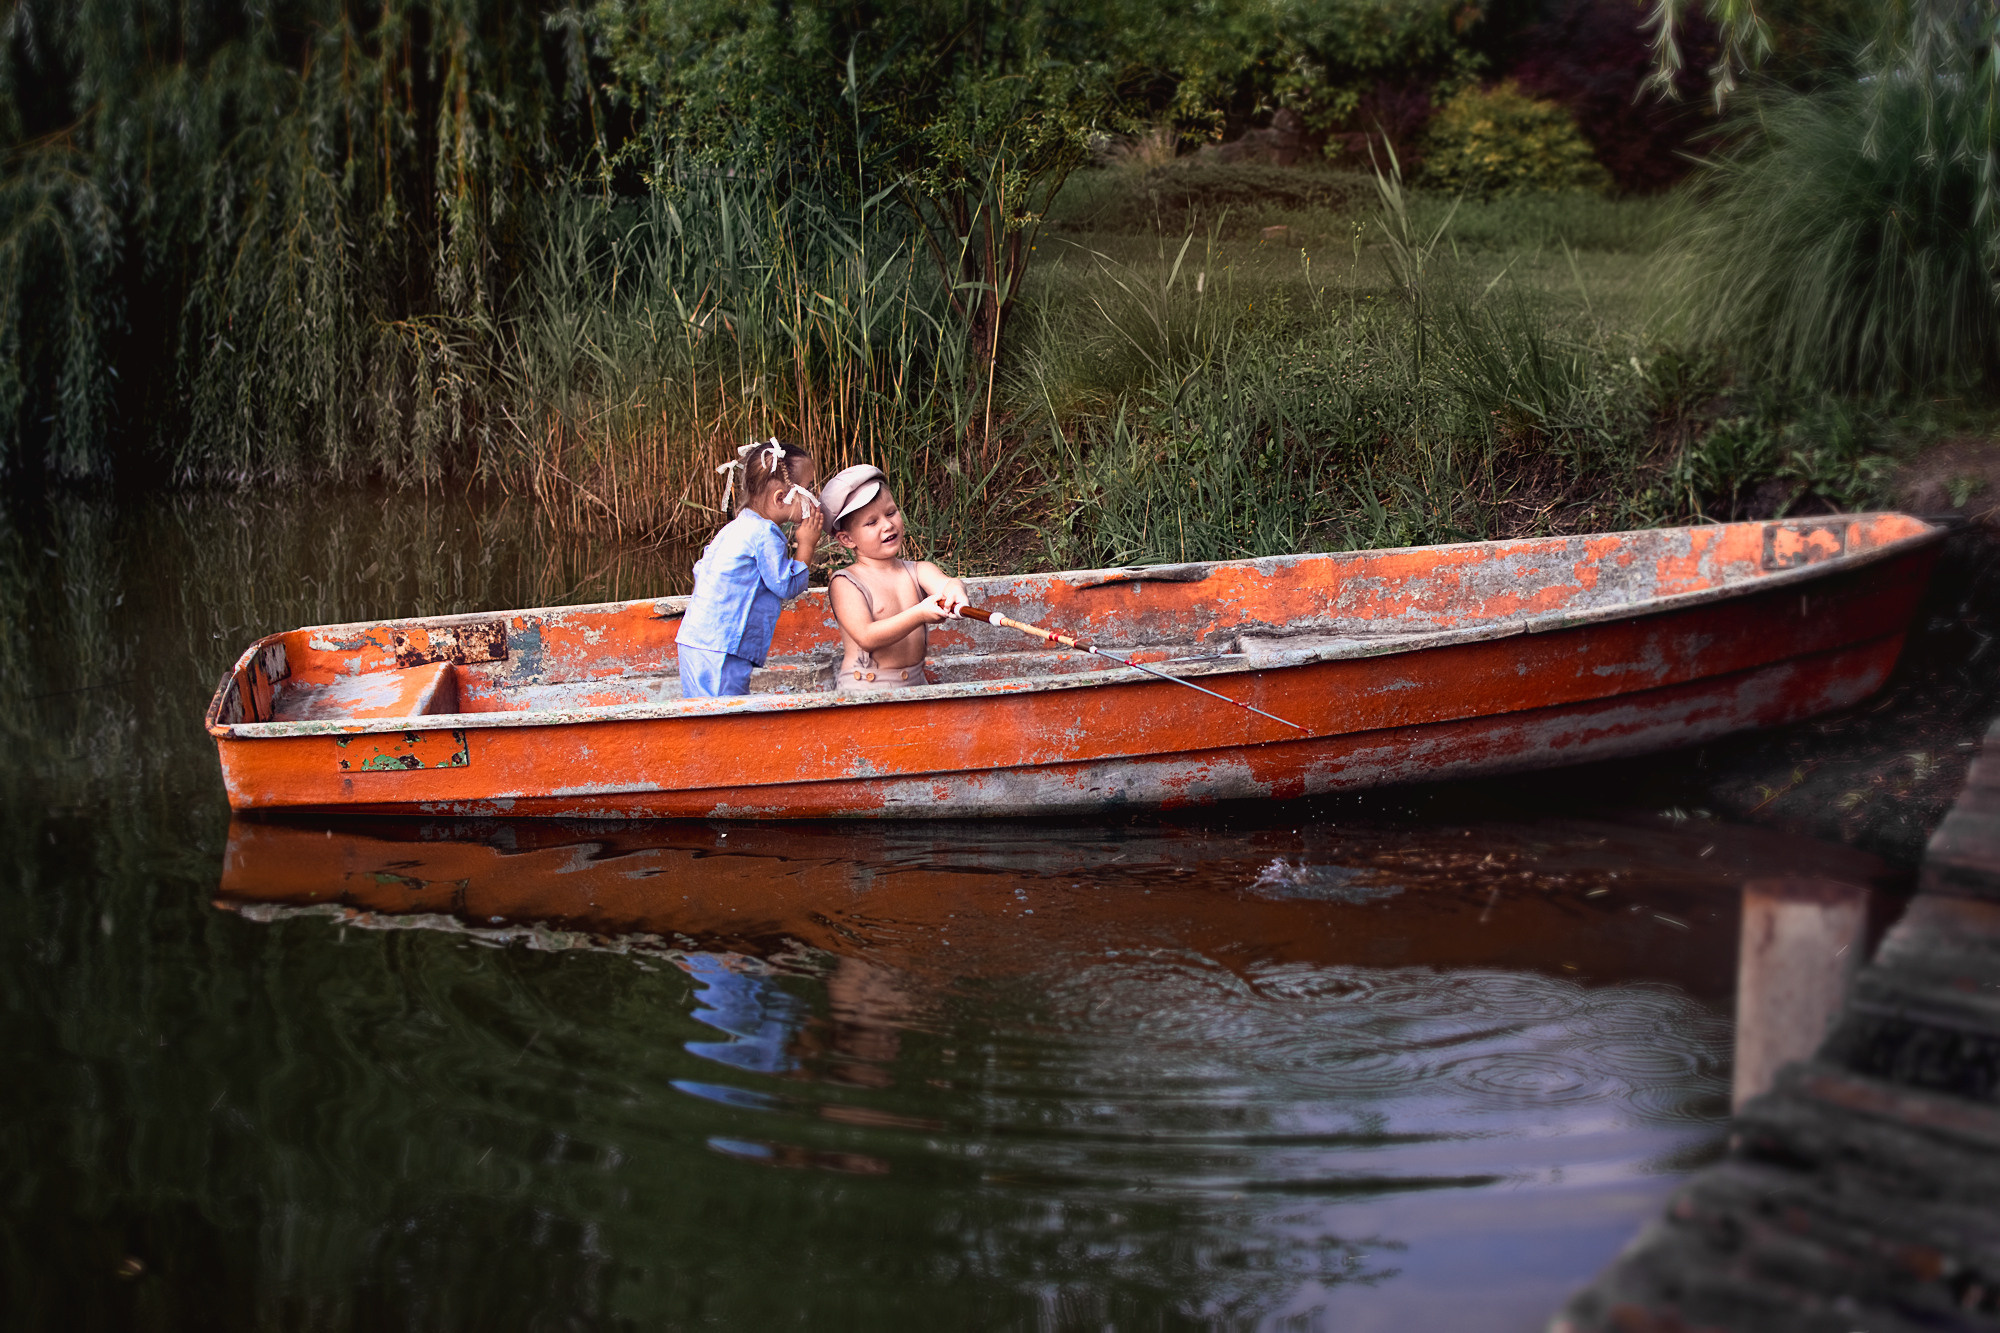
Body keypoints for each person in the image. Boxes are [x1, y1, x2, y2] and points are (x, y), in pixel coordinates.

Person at [677, 439, 824, 699]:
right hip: (723, 648)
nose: (815, 496)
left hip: (695, 640)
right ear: (781, 498)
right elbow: (785, 585)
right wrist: (807, 545)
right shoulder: (765, 534)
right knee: (726, 716)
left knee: (702, 711)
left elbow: (701, 569)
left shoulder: (735, 528)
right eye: (809, 488)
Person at [817, 464, 968, 691]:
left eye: (890, 513)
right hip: (865, 691)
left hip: (917, 686)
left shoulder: (918, 571)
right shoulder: (846, 583)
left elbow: (947, 583)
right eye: (872, 522)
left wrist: (956, 590)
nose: (888, 525)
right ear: (847, 539)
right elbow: (866, 636)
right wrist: (919, 614)